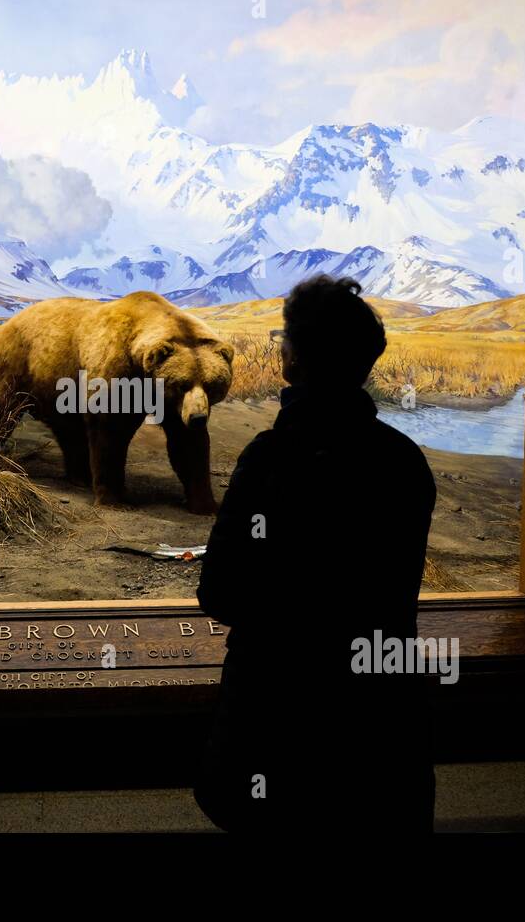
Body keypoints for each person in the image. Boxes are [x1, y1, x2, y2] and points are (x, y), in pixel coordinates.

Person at [193, 274, 437, 833]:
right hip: (379, 719)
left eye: (286, 338)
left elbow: (220, 591)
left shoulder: (271, 457)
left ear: (296, 358)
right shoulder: (404, 461)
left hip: (277, 716)